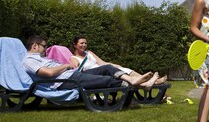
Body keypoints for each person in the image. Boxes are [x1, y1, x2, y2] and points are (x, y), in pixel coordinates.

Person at [22, 35, 152, 90]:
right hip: (66, 80)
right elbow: (49, 73)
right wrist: (66, 65)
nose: (45, 49)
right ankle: (140, 85)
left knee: (107, 67)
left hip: (72, 75)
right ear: (34, 46)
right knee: (105, 80)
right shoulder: (29, 60)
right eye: (44, 46)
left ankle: (135, 81)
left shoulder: (42, 59)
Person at [68, 35, 167, 89]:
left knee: (122, 69)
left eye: (85, 43)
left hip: (102, 70)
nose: (84, 45)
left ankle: (146, 83)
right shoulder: (73, 58)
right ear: (75, 45)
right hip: (91, 75)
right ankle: (144, 83)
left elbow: (101, 62)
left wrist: (115, 65)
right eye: (81, 43)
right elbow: (76, 71)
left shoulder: (89, 53)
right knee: (109, 68)